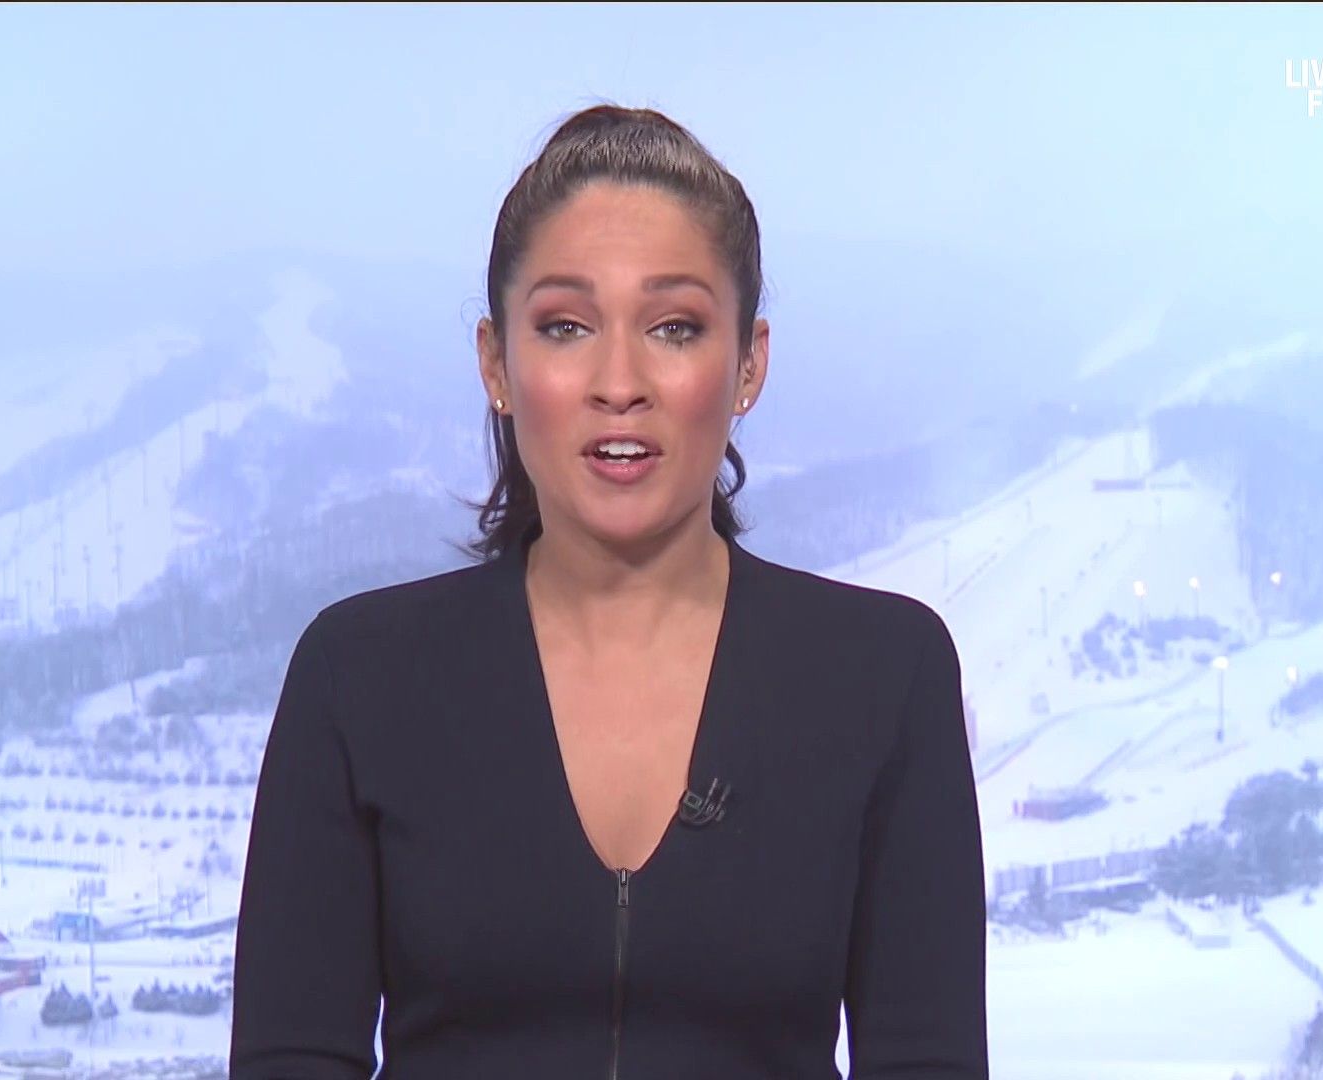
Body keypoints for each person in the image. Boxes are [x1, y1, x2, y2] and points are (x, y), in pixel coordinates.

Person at [229, 104, 987, 1079]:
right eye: (566, 326)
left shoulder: (884, 675)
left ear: (748, 365)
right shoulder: (357, 677)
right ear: (497, 365)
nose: (618, 381)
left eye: (674, 328)